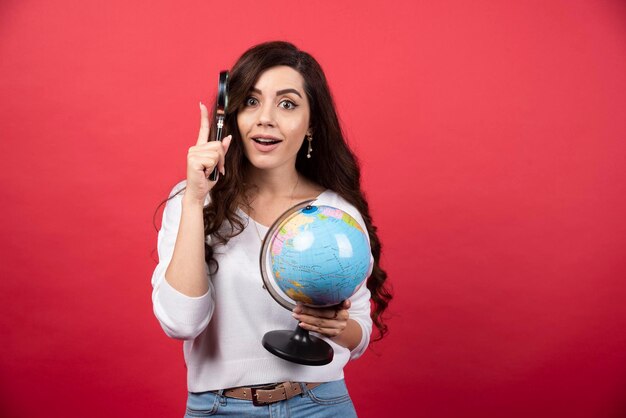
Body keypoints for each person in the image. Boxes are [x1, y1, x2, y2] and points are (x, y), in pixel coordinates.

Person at [151, 41, 391, 417]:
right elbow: (181, 323)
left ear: (311, 122)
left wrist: (335, 326)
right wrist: (196, 200)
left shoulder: (335, 213)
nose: (265, 118)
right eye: (251, 101)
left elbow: (358, 332)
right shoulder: (194, 200)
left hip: (321, 404)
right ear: (231, 116)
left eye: (287, 103)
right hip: (218, 408)